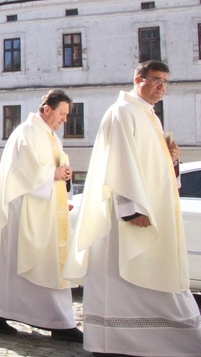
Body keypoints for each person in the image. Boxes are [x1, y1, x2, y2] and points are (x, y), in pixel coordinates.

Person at [65, 60, 201, 355]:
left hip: (153, 208)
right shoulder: (123, 112)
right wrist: (131, 208)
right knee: (122, 275)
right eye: (155, 79)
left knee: (153, 275)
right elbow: (119, 161)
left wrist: (172, 159)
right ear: (138, 79)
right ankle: (109, 341)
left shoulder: (149, 116)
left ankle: (146, 340)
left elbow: (152, 167)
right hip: (128, 216)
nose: (160, 86)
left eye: (165, 81)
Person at [0, 89, 83, 343]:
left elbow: (54, 168)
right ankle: (0, 312)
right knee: (25, 262)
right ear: (47, 109)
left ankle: (51, 319)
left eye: (67, 115)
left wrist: (64, 175)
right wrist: (54, 174)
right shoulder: (26, 132)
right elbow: (25, 172)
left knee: (45, 262)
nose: (64, 120)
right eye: (62, 114)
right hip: (21, 211)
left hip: (45, 209)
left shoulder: (52, 137)